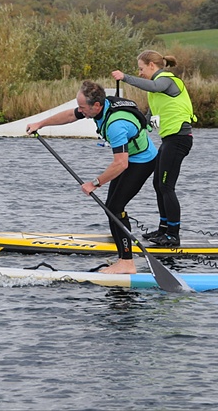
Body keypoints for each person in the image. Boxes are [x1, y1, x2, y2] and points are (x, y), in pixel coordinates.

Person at [26, 80, 157, 274]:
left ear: (96, 105)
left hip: (142, 161)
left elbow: (121, 163)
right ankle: (123, 249)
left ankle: (127, 262)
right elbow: (70, 115)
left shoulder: (115, 125)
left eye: (82, 108)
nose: (80, 111)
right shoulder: (98, 107)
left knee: (115, 207)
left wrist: (95, 183)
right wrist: (40, 124)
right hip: (129, 159)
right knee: (111, 207)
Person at [112, 50, 196, 247]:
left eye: (141, 68)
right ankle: (163, 229)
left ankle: (173, 235)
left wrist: (125, 78)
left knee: (166, 186)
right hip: (169, 139)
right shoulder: (155, 92)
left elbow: (154, 85)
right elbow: (149, 117)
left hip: (179, 139)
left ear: (152, 65)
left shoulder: (166, 80)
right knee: (158, 184)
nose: (140, 73)